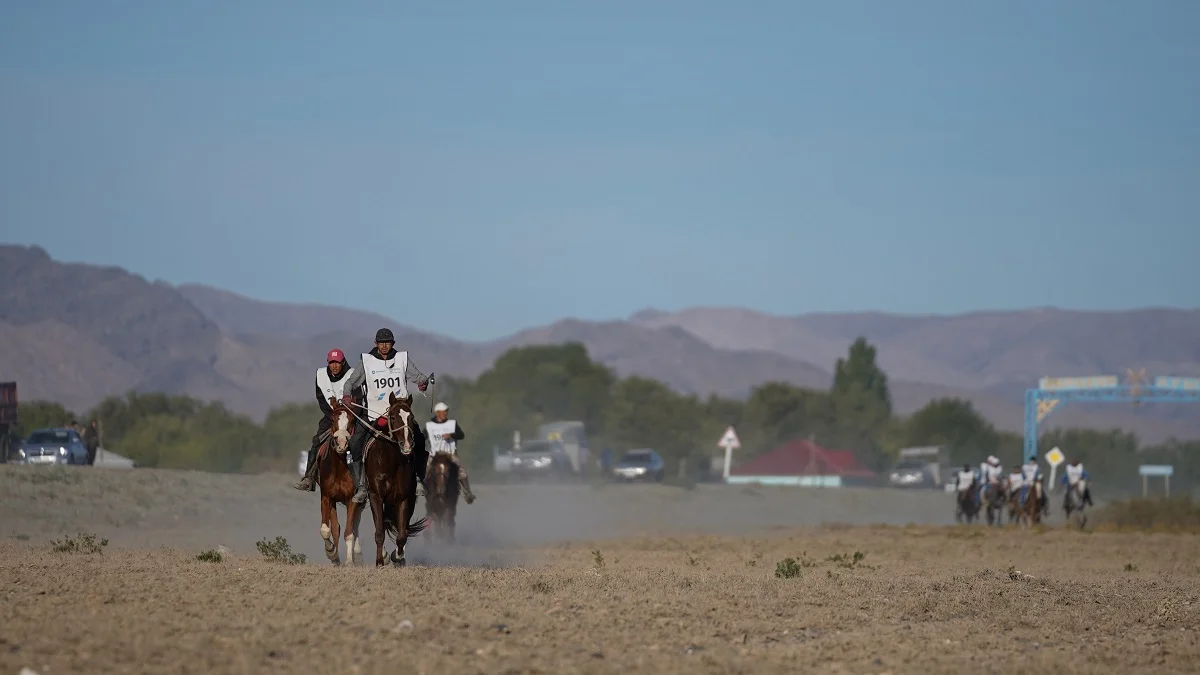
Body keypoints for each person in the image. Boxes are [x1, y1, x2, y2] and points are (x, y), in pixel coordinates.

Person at [340, 328, 430, 503]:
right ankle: (361, 486)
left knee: (418, 438)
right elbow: (351, 382)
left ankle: (419, 478)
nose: (384, 346)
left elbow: (417, 375)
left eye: (387, 343)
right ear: (375, 344)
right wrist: (346, 395)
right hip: (374, 412)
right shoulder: (367, 361)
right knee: (355, 443)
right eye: (381, 343)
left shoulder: (401, 359)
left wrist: (422, 382)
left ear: (393, 343)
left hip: (399, 411)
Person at [294, 349, 356, 492]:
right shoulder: (320, 375)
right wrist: (333, 417)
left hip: (351, 416)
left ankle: (364, 481)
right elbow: (321, 399)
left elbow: (358, 396)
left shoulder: (352, 374)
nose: (334, 366)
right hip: (330, 416)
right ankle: (309, 478)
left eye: (337, 363)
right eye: (331, 363)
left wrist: (348, 416)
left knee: (360, 440)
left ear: (343, 362)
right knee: (317, 441)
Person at [424, 402, 477, 504]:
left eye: (446, 411)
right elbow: (422, 437)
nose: (446, 413)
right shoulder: (429, 426)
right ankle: (418, 490)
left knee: (462, 473)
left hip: (450, 454)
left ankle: (468, 493)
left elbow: (461, 435)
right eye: (443, 412)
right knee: (424, 471)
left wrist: (451, 435)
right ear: (437, 413)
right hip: (434, 455)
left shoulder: (452, 424)